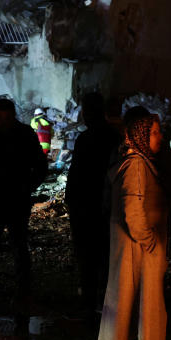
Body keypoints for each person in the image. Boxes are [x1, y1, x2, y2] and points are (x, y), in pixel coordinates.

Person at [96, 107, 170, 340]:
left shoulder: (139, 162)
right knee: (128, 308)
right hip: (134, 251)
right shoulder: (136, 165)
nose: (159, 137)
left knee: (136, 307)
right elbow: (133, 210)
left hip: (137, 250)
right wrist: (150, 241)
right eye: (154, 132)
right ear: (140, 135)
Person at [0, 99, 47, 311]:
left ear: (13, 115)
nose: (3, 122)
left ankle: (19, 292)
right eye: (0, 117)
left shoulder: (21, 135)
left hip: (14, 199)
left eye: (6, 117)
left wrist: (27, 187)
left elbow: (40, 165)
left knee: (18, 246)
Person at [64, 92, 121, 313]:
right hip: (99, 206)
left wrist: (73, 202)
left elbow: (78, 174)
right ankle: (100, 303)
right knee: (102, 257)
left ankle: (91, 303)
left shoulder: (89, 139)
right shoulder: (111, 137)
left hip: (91, 206)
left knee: (90, 257)